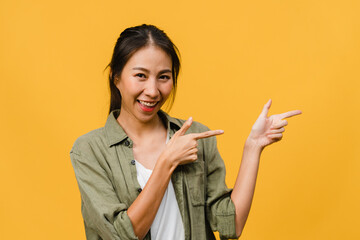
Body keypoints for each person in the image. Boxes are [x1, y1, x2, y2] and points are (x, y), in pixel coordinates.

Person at [70, 24, 302, 240]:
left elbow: (231, 225)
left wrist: (253, 146)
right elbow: (120, 235)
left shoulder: (197, 137)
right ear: (116, 76)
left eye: (163, 77)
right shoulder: (89, 150)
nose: (152, 90)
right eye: (140, 75)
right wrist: (167, 162)